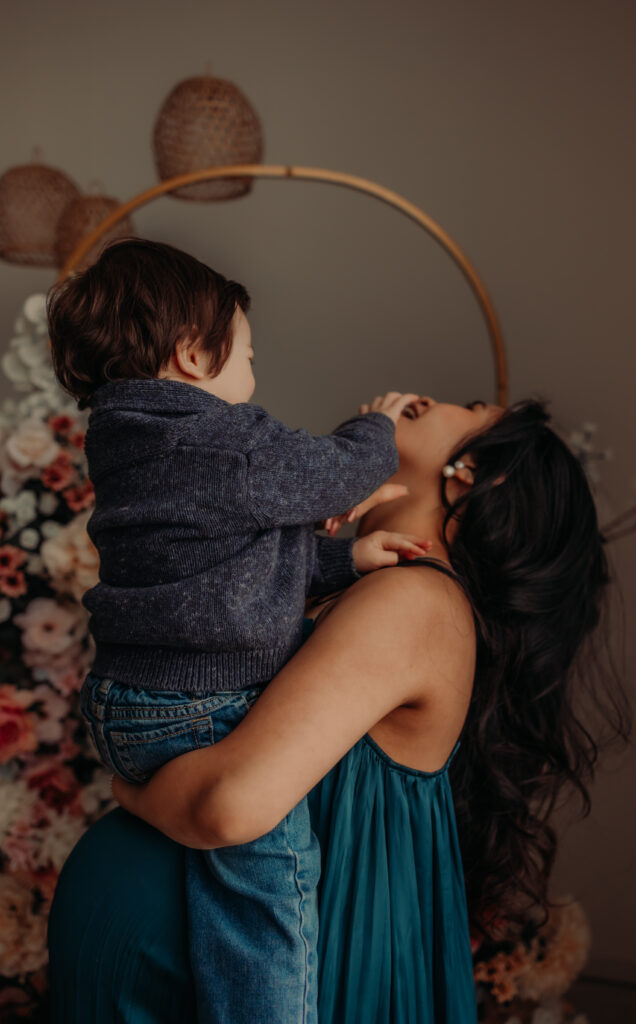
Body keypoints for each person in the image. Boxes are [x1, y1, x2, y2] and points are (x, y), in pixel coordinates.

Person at [48, 395, 631, 1024]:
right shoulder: (371, 582)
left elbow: (230, 805)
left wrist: (130, 793)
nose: (431, 397)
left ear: (484, 474)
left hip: (202, 986)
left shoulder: (415, 602)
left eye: (472, 407)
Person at [46, 238, 432, 1024]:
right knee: (266, 907)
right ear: (193, 354)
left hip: (128, 705)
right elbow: (332, 471)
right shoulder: (217, 438)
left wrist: (345, 558)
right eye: (246, 353)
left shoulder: (128, 442)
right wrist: (374, 428)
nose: (251, 375)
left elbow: (220, 567)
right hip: (202, 707)